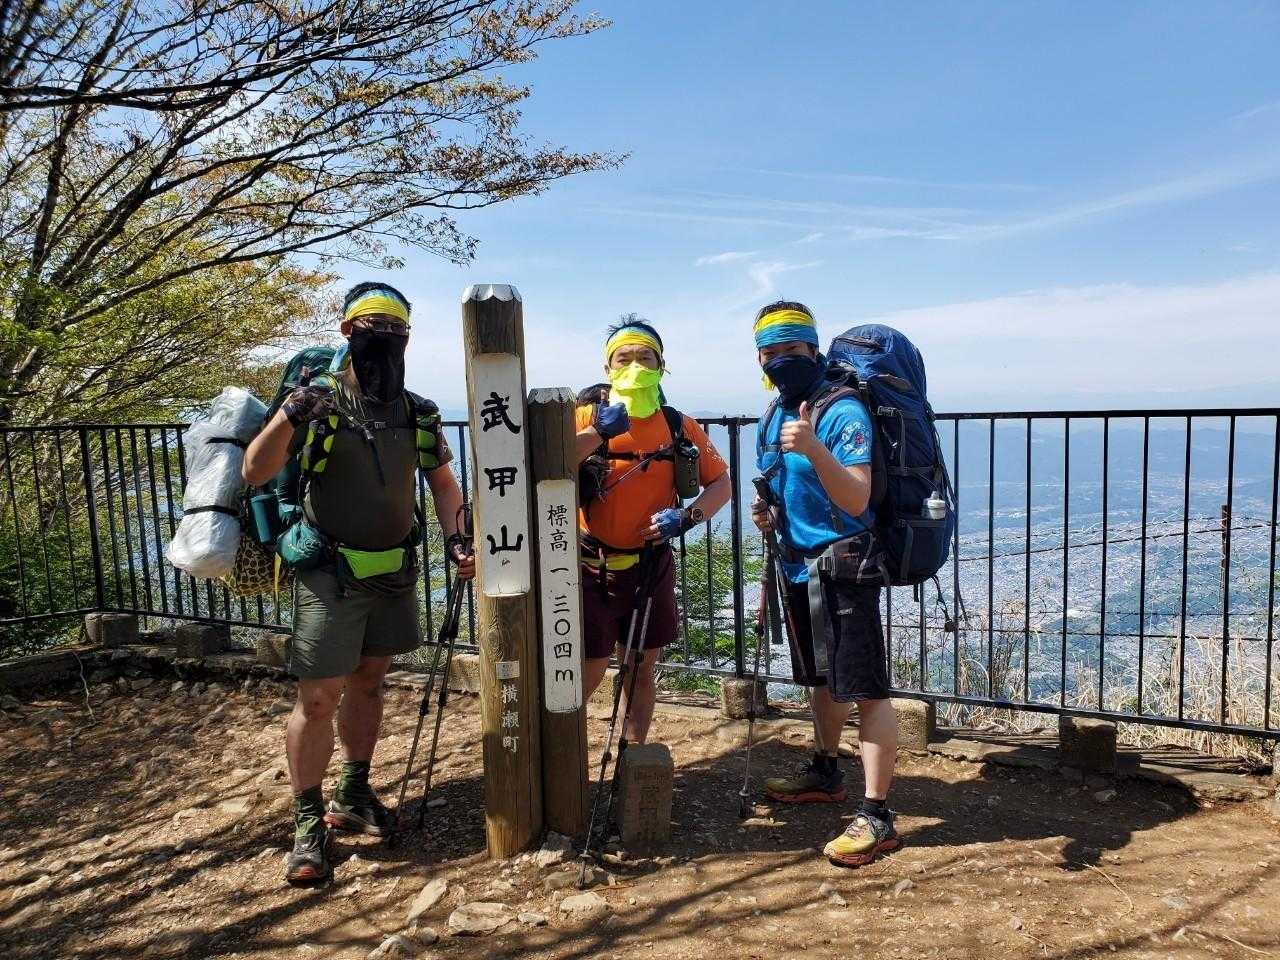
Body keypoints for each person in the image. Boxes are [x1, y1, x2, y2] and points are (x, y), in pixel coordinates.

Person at [242, 282, 475, 885]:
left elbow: (443, 484)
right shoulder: (316, 403)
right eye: (374, 325)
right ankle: (307, 823)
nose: (386, 337)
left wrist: (458, 538)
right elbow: (256, 470)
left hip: (393, 568)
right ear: (347, 330)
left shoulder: (418, 411)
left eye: (397, 328)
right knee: (318, 699)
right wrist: (290, 413)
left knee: (370, 682)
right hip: (328, 570)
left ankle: (353, 792)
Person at [749, 300, 900, 868]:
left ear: (813, 348)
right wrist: (769, 513)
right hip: (796, 565)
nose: (780, 360)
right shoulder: (774, 413)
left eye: (792, 348)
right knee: (820, 678)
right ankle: (826, 771)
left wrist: (813, 447)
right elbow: (782, 486)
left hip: (844, 567)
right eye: (770, 351)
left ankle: (877, 815)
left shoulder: (842, 411)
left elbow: (857, 498)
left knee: (866, 689)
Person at [574, 316, 732, 743]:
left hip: (650, 565)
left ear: (662, 366)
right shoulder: (585, 415)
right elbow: (547, 463)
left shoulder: (679, 425)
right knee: (586, 669)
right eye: (623, 359)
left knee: (640, 667)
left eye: (645, 358)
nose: (635, 367)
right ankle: (559, 759)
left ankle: (632, 754)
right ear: (607, 368)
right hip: (588, 565)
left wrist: (688, 517)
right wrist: (596, 432)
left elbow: (721, 483)